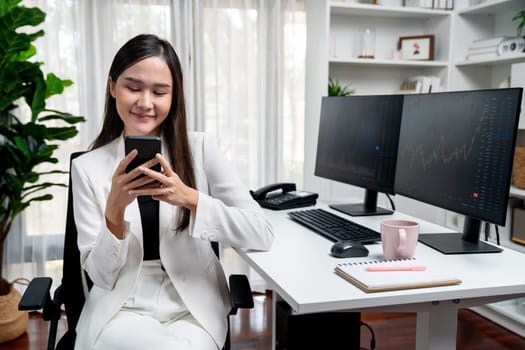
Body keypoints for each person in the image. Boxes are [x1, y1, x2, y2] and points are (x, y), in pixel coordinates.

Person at [71, 33, 274, 350]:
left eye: (159, 91)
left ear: (174, 96)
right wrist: (114, 212)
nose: (145, 102)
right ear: (112, 87)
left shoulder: (200, 150)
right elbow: (100, 276)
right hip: (120, 308)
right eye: (133, 88)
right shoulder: (88, 167)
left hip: (191, 306)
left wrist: (190, 198)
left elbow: (260, 233)